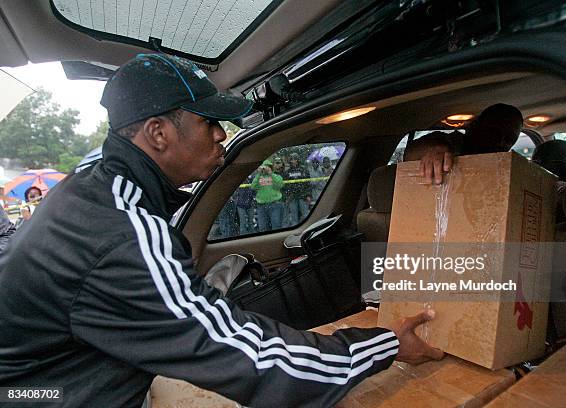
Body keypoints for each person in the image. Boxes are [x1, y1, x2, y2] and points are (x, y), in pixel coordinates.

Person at [0, 54, 443, 408]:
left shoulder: (98, 190)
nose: (221, 134)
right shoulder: (120, 233)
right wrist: (383, 347)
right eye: (207, 122)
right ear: (157, 134)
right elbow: (246, 357)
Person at [404, 103, 524, 184]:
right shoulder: (450, 142)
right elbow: (411, 152)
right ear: (475, 126)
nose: (500, 142)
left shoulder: (506, 172)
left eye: (509, 139)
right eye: (494, 133)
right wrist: (436, 151)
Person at [251, 159, 285, 232]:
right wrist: (259, 174)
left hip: (275, 205)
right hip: (261, 206)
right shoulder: (258, 177)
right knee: (263, 228)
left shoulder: (277, 176)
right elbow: (253, 187)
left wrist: (271, 173)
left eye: (267, 167)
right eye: (263, 167)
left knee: (276, 227)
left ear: (271, 167)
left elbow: (279, 185)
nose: (265, 169)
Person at [281, 152, 311, 226]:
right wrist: (288, 195)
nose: (293, 161)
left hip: (303, 195)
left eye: (294, 159)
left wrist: (308, 195)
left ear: (298, 160)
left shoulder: (303, 169)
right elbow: (285, 185)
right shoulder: (287, 172)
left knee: (305, 216)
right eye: (291, 159)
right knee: (294, 218)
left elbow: (308, 183)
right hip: (292, 196)